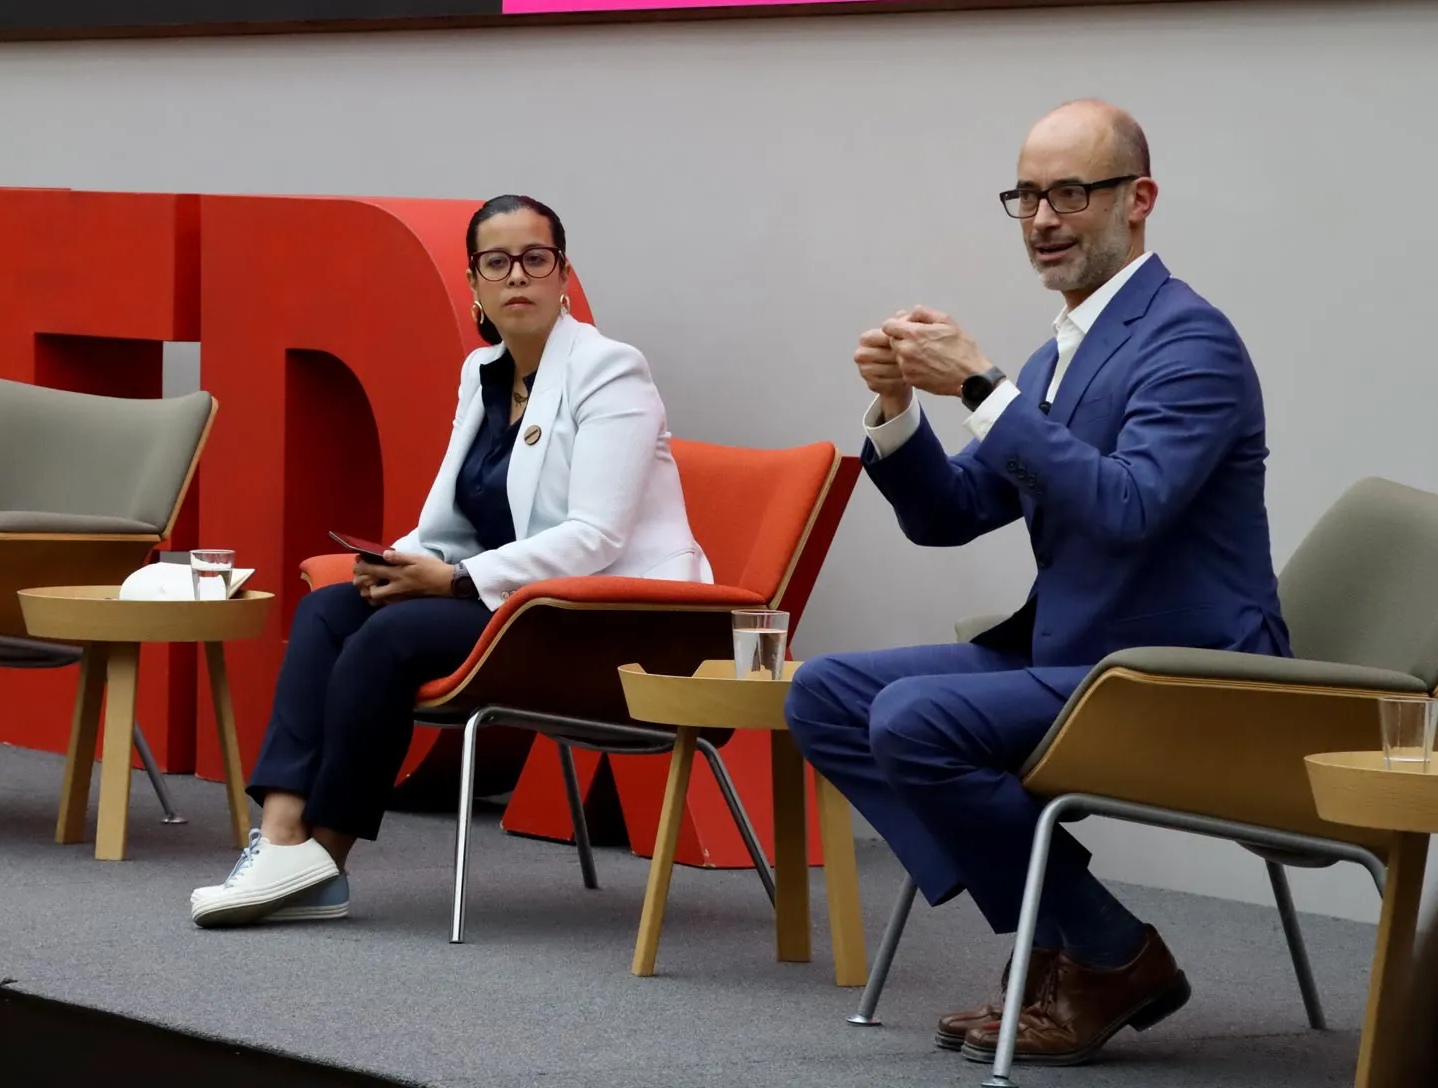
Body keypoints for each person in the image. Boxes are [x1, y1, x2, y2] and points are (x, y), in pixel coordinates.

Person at [785, 100, 1288, 1066]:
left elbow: (1131, 506)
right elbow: (951, 515)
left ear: (1138, 201)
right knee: (828, 694)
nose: (1044, 219)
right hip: (1078, 660)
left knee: (916, 720)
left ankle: (1086, 953)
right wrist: (895, 413)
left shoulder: (1192, 343)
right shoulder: (1068, 350)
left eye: (1071, 193)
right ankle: (1089, 940)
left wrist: (983, 387)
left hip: (1181, 677)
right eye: (1027, 196)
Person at [190, 194, 712, 927]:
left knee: (391, 639)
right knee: (334, 608)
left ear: (564, 274)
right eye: (496, 263)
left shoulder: (610, 371)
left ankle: (325, 861)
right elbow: (456, 521)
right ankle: (280, 840)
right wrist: (402, 564)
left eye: (536, 258)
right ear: (474, 285)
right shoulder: (483, 375)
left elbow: (595, 536)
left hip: (601, 621)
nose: (517, 276)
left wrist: (456, 578)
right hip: (509, 604)